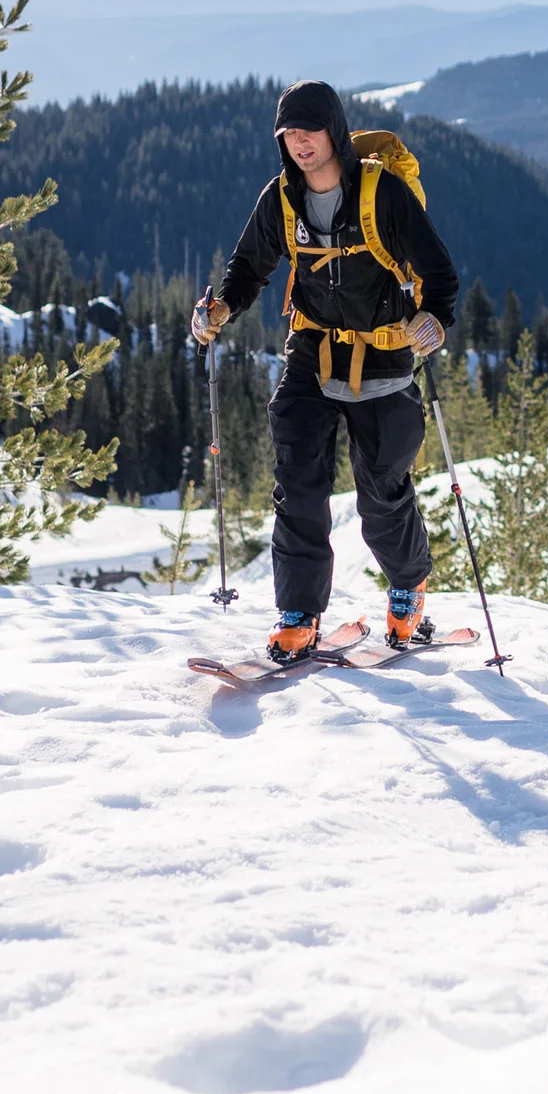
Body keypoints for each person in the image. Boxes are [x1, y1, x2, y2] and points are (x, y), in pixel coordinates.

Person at [191, 80, 458, 664]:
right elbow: (248, 266)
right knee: (299, 486)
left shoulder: (381, 194)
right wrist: (220, 308)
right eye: (288, 134)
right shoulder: (282, 197)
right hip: (312, 353)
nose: (299, 144)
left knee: (381, 494)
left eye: (308, 132)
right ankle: (298, 614)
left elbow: (439, 271)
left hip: (384, 355)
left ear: (333, 130)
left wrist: (435, 320)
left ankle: (408, 587)